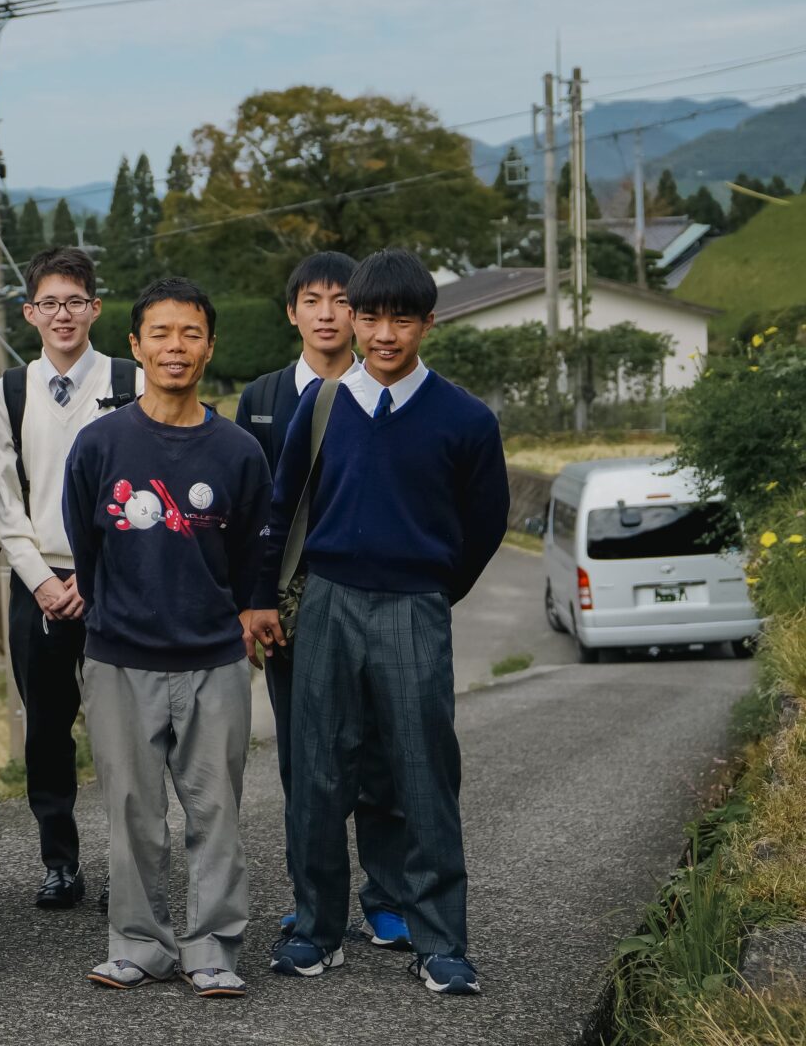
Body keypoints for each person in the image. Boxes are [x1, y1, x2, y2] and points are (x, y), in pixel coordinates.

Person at [265, 249, 509, 996]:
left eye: (402, 317)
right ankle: (316, 928)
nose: (383, 331)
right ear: (352, 320)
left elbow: (485, 524)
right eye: (370, 315)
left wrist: (431, 590)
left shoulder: (465, 419)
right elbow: (283, 507)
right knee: (318, 771)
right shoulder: (327, 404)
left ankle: (441, 941)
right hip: (330, 601)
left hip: (414, 605)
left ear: (429, 323)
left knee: (422, 772)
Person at [62, 277, 277, 999]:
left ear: (210, 346)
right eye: (160, 334)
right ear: (135, 346)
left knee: (214, 812)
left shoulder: (239, 451)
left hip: (213, 659)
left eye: (190, 334)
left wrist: (244, 613)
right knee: (131, 812)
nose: (175, 348)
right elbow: (86, 552)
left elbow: (252, 554)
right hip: (120, 655)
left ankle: (211, 946)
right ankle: (139, 944)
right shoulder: (100, 444)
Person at [235, 252, 413, 952]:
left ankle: (389, 897)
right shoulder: (263, 395)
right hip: (289, 605)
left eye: (344, 301)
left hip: (373, 596)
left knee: (379, 753)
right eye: (314, 300)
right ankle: (315, 902)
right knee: (303, 759)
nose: (329, 314)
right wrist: (253, 601)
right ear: (293, 311)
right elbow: (252, 508)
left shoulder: (390, 390)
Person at [0, 246, 136, 911]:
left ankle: (129, 864)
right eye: (49, 303)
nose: (63, 314)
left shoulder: (129, 382)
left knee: (124, 728)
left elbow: (142, 493)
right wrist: (41, 579)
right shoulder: (10, 392)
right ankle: (60, 862)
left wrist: (97, 574)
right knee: (47, 728)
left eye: (75, 301)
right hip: (38, 580)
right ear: (29, 314)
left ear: (96, 308)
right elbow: (5, 501)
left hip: (120, 582)